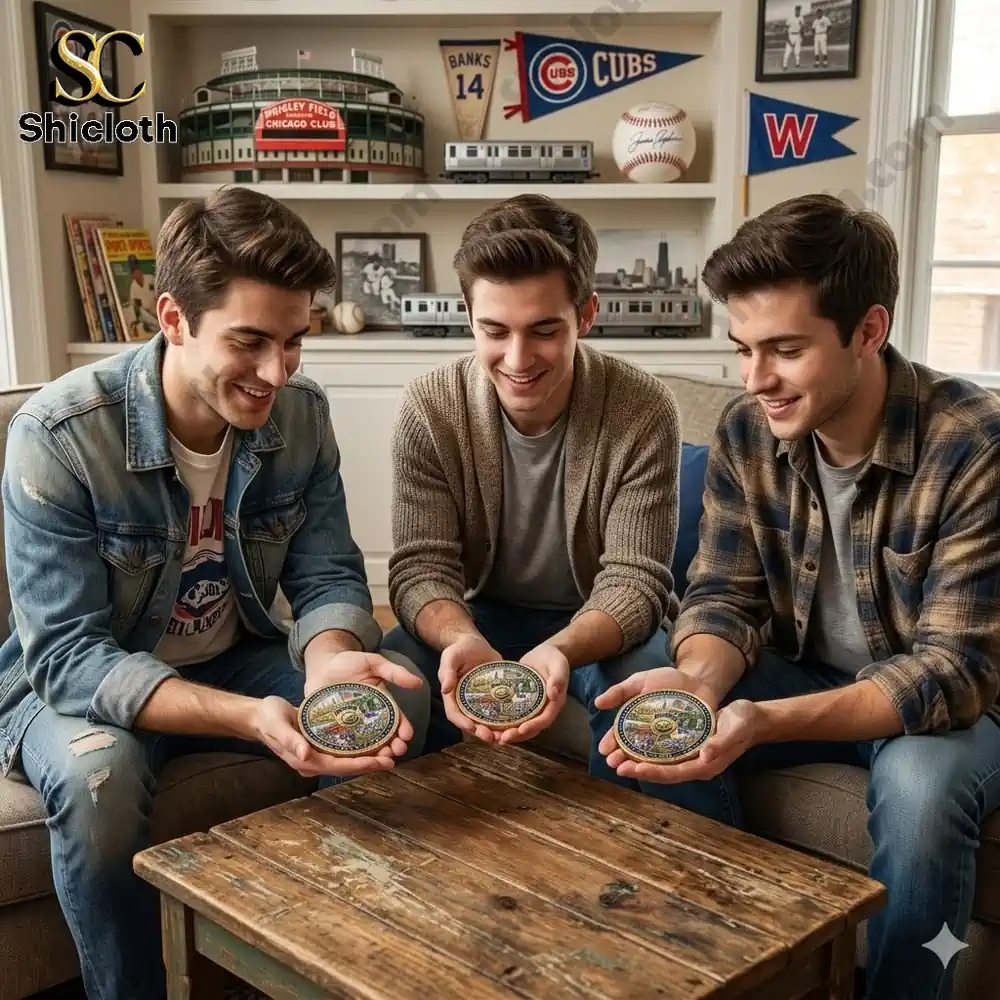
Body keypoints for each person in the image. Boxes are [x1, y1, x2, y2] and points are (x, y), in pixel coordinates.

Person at [0, 185, 430, 1000]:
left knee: (394, 696)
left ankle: (337, 963)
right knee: (106, 782)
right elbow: (66, 658)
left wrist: (335, 659)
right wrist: (251, 719)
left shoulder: (300, 414)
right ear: (173, 319)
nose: (276, 371)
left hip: (236, 656)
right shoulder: (57, 437)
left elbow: (329, 573)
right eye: (249, 341)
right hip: (73, 690)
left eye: (296, 341)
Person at [594, 193, 1000, 1000]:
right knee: (644, 699)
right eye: (744, 349)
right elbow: (720, 596)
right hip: (804, 674)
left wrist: (759, 721)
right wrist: (703, 683)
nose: (756, 381)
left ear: (869, 331)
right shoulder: (750, 431)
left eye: (784, 349)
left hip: (951, 712)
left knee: (920, 795)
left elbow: (953, 672)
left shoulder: (974, 444)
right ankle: (725, 965)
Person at [379, 192, 684, 783]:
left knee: (652, 715)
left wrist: (563, 650)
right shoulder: (429, 408)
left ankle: (660, 866)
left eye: (544, 330)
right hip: (480, 614)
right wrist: (461, 637)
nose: (518, 359)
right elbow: (420, 570)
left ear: (586, 315)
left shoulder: (644, 408)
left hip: (600, 625)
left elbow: (637, 583)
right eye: (495, 330)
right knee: (381, 687)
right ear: (468, 318)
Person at [783, 4, 805, 69]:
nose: (798, 11)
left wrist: (802, 37)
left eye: (799, 10)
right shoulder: (790, 18)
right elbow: (786, 28)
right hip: (791, 35)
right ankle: (785, 65)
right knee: (787, 51)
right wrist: (787, 38)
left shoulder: (801, 18)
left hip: (798, 35)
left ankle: (797, 64)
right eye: (797, 10)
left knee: (797, 52)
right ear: (795, 10)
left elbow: (802, 28)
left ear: (800, 11)